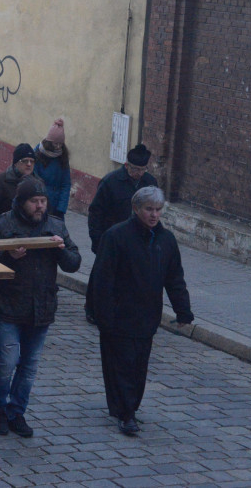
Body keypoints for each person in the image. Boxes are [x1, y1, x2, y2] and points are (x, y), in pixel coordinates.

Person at [0, 178, 81, 439]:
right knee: (8, 360)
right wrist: (6, 255)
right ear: (21, 202)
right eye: (34, 202)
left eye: (43, 201)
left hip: (41, 307)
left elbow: (74, 263)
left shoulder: (55, 225)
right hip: (8, 304)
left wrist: (60, 249)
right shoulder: (1, 224)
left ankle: (17, 412)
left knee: (29, 365)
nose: (39, 207)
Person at [90, 186, 193, 436]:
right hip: (118, 315)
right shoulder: (116, 237)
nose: (154, 215)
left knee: (139, 366)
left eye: (158, 210)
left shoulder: (166, 240)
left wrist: (183, 312)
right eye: (149, 209)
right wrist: (101, 314)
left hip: (147, 316)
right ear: (136, 209)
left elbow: (174, 278)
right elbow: (101, 279)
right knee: (121, 365)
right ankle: (126, 413)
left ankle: (126, 406)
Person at [85, 143, 159, 323]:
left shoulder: (150, 183)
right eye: (135, 169)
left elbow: (155, 210)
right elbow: (96, 212)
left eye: (143, 169)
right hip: (111, 238)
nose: (139, 173)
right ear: (126, 165)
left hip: (139, 238)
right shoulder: (111, 182)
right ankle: (93, 309)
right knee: (103, 275)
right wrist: (97, 239)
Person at [0, 143, 37, 224]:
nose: (29, 164)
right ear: (15, 163)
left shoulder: (38, 184)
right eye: (25, 161)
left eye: (32, 161)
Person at [34, 118, 71, 219]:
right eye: (56, 143)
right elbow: (33, 179)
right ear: (49, 142)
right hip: (40, 205)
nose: (58, 147)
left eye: (61, 144)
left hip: (56, 207)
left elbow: (66, 184)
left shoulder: (63, 157)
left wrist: (61, 209)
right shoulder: (37, 154)